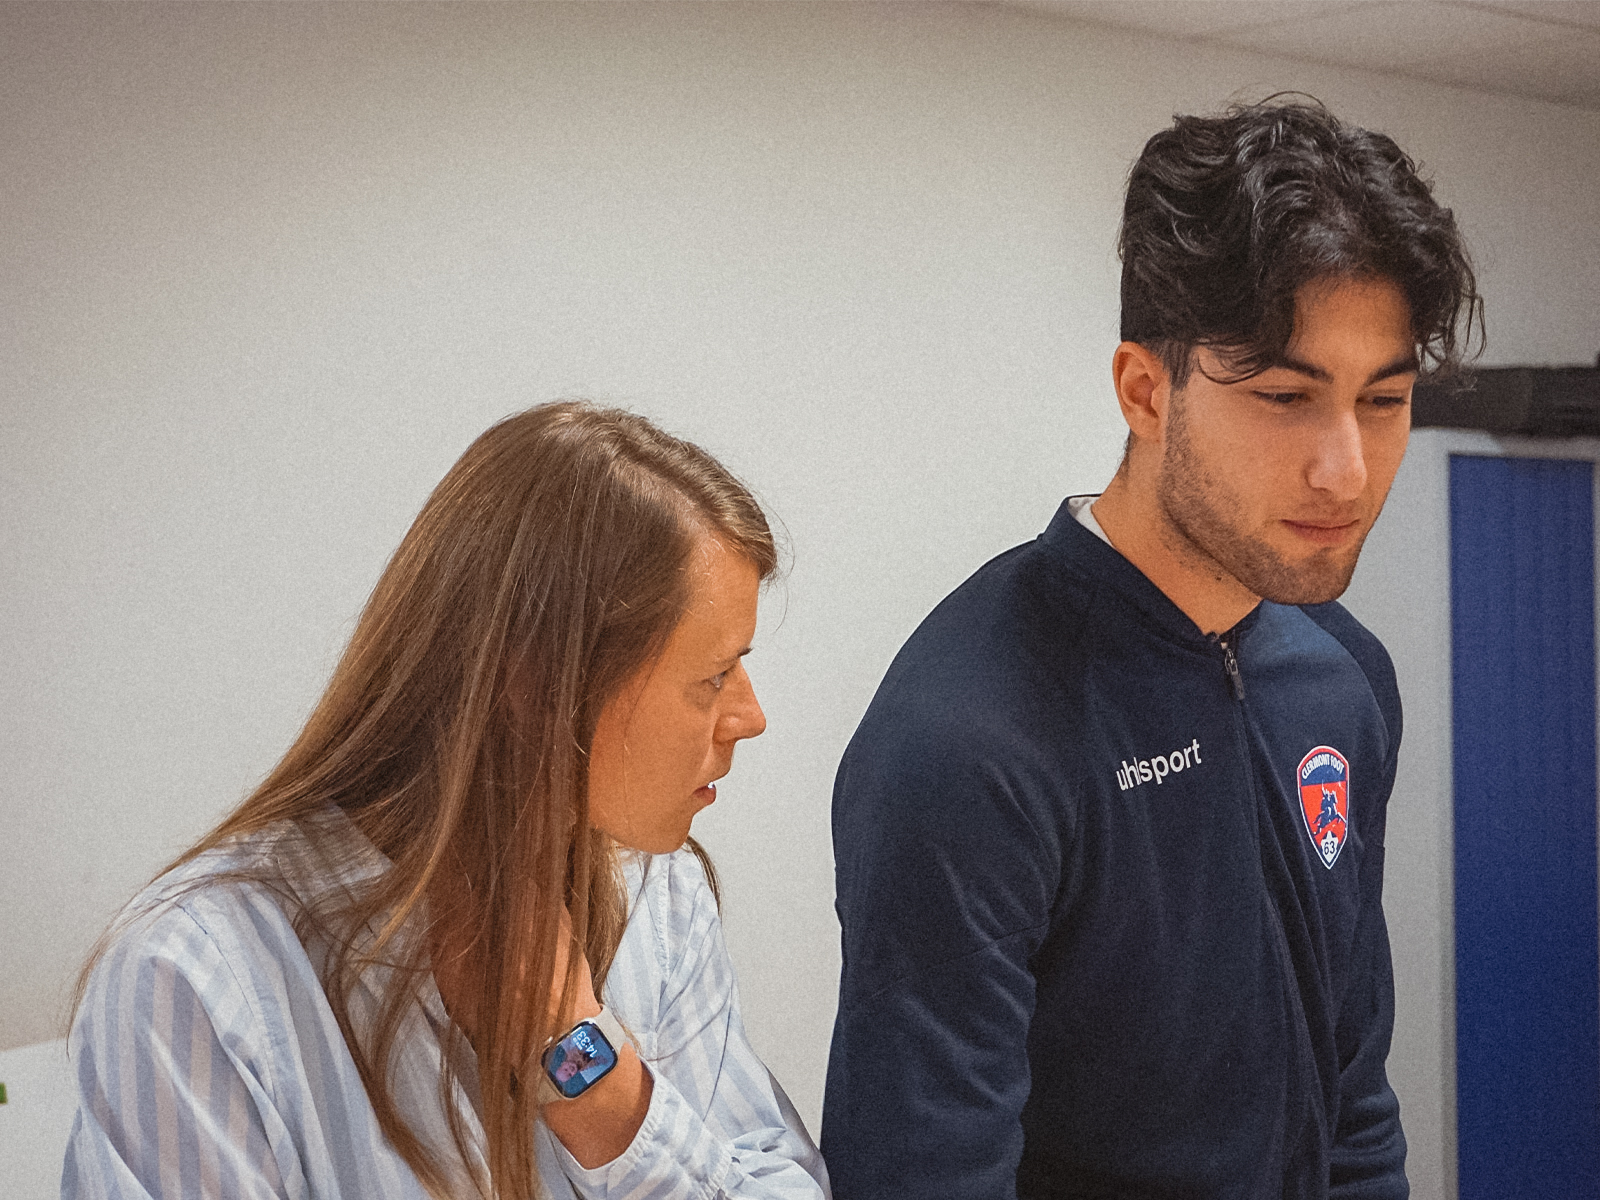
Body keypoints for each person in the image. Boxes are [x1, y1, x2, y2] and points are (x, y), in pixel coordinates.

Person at [822, 99, 1481, 1199]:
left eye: (1382, 401)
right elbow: (922, 1172)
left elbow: (1353, 1099)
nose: (1347, 471)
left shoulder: (1341, 674)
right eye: (1284, 396)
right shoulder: (968, 735)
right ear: (1143, 391)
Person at [64, 401, 831, 1200]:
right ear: (535, 686)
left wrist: (582, 1064)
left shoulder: (659, 896)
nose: (751, 717)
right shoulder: (192, 981)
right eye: (712, 676)